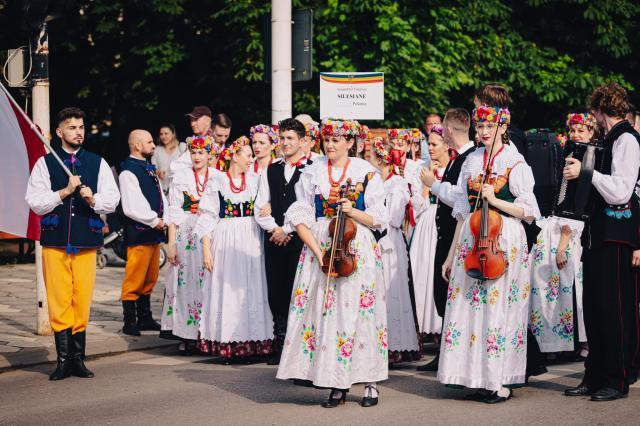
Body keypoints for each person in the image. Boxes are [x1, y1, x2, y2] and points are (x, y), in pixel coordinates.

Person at [276, 119, 389, 408]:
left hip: (355, 246)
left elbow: (379, 217)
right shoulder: (312, 172)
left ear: (350, 143)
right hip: (322, 244)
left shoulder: (366, 172)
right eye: (327, 140)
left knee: (360, 314)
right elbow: (300, 213)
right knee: (326, 314)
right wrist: (317, 252)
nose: (331, 144)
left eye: (337, 140)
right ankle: (335, 381)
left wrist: (354, 211)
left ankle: (370, 382)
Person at [438, 104, 540, 403]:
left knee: (499, 309)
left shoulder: (515, 162)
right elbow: (462, 210)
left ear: (503, 127)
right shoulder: (471, 161)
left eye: (489, 126)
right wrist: (450, 254)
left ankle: (499, 381)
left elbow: (529, 211)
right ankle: (474, 375)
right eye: (479, 126)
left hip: (504, 238)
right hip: (473, 237)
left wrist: (495, 199)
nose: (483, 132)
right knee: (471, 308)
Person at [26, 107, 120, 380]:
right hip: (55, 241)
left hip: (86, 241)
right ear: (59, 132)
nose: (78, 132)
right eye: (72, 127)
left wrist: (93, 200)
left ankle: (78, 359)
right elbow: (35, 201)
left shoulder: (97, 162)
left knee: (82, 298)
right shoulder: (46, 163)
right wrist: (64, 192)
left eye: (81, 127)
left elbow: (112, 199)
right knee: (58, 299)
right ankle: (63, 360)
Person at [563, 82, 640, 401]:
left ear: (599, 110)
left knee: (616, 310)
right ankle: (595, 374)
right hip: (597, 233)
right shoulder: (607, 140)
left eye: (592, 112)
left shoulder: (627, 140)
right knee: (594, 309)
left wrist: (587, 173)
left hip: (618, 236)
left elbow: (622, 191)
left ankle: (617, 378)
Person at [194, 136, 273, 360]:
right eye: (248, 155)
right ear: (235, 157)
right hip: (225, 238)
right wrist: (206, 249)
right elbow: (208, 216)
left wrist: (270, 205)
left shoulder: (257, 180)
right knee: (228, 289)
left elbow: (267, 202)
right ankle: (228, 342)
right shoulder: (217, 181)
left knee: (252, 287)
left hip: (251, 236)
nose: (251, 159)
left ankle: (253, 342)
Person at [528, 111, 596, 360]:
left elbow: (579, 203)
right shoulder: (567, 154)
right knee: (549, 285)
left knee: (571, 284)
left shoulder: (591, 157)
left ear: (591, 132)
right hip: (558, 225)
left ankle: (581, 340)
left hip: (574, 229)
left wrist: (564, 241)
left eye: (582, 130)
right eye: (573, 130)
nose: (576, 135)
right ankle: (553, 342)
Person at [418, 108, 476, 372]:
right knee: (442, 293)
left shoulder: (470, 158)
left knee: (451, 294)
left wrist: (434, 184)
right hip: (446, 233)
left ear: (449, 131)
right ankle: (445, 351)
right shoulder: (457, 158)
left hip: (458, 233)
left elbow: (461, 198)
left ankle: (449, 353)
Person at [255, 118, 310, 365]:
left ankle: (299, 347)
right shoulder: (272, 169)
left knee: (298, 290)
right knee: (276, 291)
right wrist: (275, 229)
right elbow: (260, 205)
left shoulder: (311, 168)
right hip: (275, 238)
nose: (285, 143)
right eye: (283, 138)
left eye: (290, 138)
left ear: (302, 141)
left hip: (301, 239)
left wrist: (287, 228)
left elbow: (310, 207)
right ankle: (281, 343)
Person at [160, 135, 215, 355]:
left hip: (210, 233)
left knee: (207, 283)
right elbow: (173, 210)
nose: (197, 156)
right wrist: (171, 243)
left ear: (210, 155)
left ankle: (206, 333)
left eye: (202, 152)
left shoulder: (218, 177)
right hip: (186, 232)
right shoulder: (181, 177)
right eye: (194, 152)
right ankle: (185, 333)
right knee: (183, 284)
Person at [369, 137, 420, 364]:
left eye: (371, 156)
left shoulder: (397, 183)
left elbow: (395, 218)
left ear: (382, 159)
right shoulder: (373, 181)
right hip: (374, 238)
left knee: (391, 291)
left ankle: (395, 344)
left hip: (389, 238)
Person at [119, 129, 168, 336]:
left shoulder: (147, 167)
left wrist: (165, 218)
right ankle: (130, 320)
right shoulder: (128, 171)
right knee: (134, 276)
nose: (153, 145)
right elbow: (131, 206)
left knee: (150, 276)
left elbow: (159, 195)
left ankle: (145, 317)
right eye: (149, 142)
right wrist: (154, 220)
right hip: (140, 232)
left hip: (154, 233)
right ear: (138, 146)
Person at [410, 125, 448, 346]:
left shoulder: (454, 168)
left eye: (434, 144)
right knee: (423, 272)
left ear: (446, 145)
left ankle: (441, 329)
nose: (430, 149)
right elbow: (417, 205)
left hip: (443, 222)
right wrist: (427, 183)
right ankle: (425, 329)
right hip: (426, 223)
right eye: (429, 144)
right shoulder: (422, 169)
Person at [387, 128, 425, 237]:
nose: (395, 148)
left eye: (400, 145)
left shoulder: (416, 167)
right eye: (393, 145)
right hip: (391, 219)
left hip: (412, 219)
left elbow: (419, 196)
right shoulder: (386, 168)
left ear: (408, 147)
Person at [170, 106, 214, 175]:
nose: (192, 124)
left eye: (196, 119)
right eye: (191, 120)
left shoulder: (214, 140)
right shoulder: (194, 140)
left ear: (208, 121)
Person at [151, 124, 186, 193]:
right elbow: (154, 167)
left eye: (166, 133)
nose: (163, 136)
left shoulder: (181, 147)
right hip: (163, 188)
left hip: (179, 187)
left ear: (173, 134)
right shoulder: (157, 150)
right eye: (161, 134)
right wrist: (157, 172)